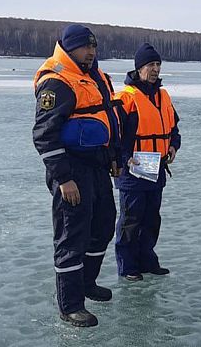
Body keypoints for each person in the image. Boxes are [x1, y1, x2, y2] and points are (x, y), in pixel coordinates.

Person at [32, 24, 122, 327]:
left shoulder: (93, 77)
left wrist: (113, 158)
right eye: (86, 47)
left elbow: (106, 117)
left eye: (94, 47)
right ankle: (70, 304)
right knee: (72, 236)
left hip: (97, 166)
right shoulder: (58, 83)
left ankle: (87, 282)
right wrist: (63, 178)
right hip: (71, 170)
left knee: (103, 225)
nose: (92, 52)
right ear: (70, 48)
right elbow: (44, 136)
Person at [113, 43, 181, 281]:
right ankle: (127, 266)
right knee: (131, 219)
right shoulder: (126, 98)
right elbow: (114, 133)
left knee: (152, 218)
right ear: (139, 68)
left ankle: (147, 260)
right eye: (150, 65)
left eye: (157, 64)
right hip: (133, 169)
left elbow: (174, 128)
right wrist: (123, 158)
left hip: (157, 166)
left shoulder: (163, 96)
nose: (155, 69)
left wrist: (173, 145)